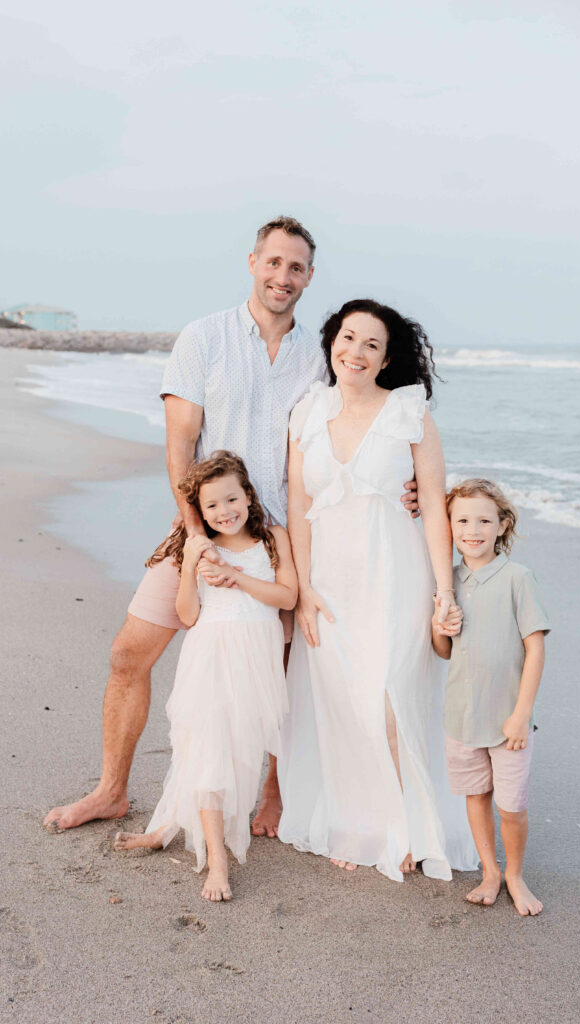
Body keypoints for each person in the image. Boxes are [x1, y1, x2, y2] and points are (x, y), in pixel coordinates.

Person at [44, 216, 324, 836]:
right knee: (127, 655)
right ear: (252, 262)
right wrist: (195, 535)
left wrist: (409, 487)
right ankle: (111, 790)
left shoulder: (319, 358)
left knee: (279, 676)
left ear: (309, 276)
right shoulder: (204, 338)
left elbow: (342, 440)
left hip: (277, 543)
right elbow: (181, 446)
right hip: (198, 530)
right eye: (273, 262)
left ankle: (271, 798)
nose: (283, 276)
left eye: (296, 267)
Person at [278, 299, 478, 881]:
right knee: (342, 700)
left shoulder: (408, 412)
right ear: (331, 344)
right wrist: (305, 589)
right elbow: (298, 504)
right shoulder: (308, 411)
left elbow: (436, 511)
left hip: (395, 573)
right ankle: (360, 821)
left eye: (371, 343)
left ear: (387, 357)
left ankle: (408, 825)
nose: (355, 352)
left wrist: (445, 592)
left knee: (391, 697)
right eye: (347, 338)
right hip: (330, 581)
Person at [114, 451, 298, 901]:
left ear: (248, 497)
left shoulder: (273, 537)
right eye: (212, 506)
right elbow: (187, 615)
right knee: (207, 749)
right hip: (210, 657)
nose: (224, 511)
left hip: (256, 661)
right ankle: (217, 862)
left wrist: (237, 577)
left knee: (237, 753)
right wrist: (194, 564)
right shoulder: (200, 546)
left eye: (231, 499)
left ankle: (165, 827)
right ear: (200, 510)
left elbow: (288, 596)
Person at [433, 479, 550, 915]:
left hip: (508, 720)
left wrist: (522, 714)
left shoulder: (519, 578)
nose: (472, 529)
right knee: (476, 795)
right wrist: (438, 626)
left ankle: (515, 874)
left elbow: (535, 648)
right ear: (449, 526)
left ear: (502, 525)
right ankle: (489, 871)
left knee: (512, 804)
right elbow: (444, 652)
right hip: (462, 716)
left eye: (484, 520)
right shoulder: (450, 582)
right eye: (461, 520)